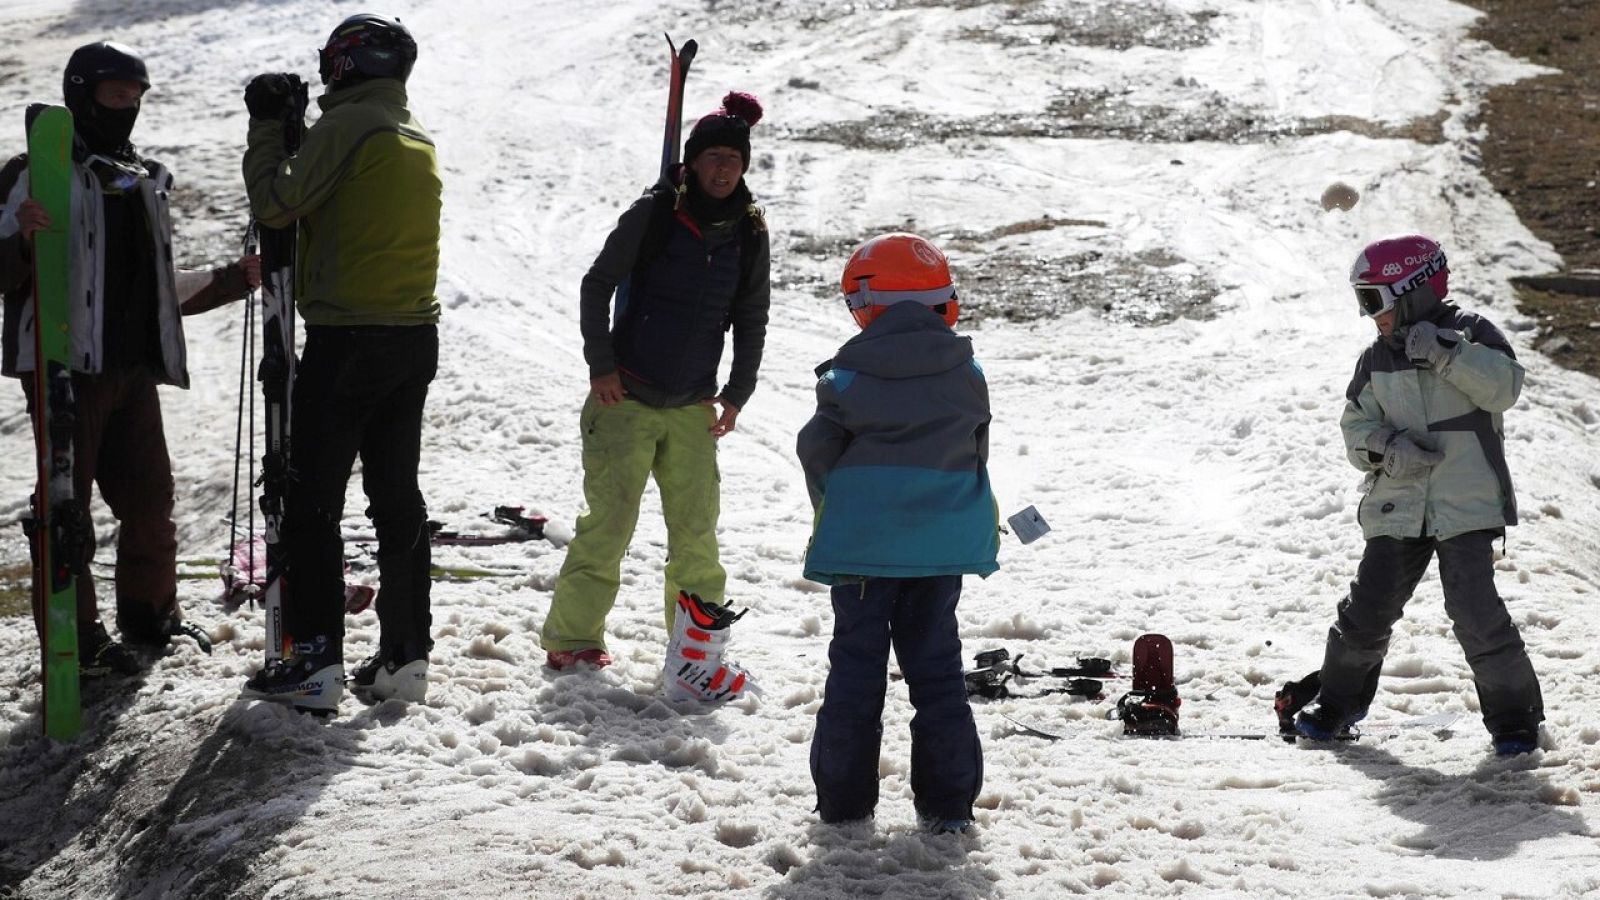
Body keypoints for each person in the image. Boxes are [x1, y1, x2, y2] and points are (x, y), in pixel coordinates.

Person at [0, 41, 258, 677]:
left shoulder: (141, 178)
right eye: (117, 95)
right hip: (64, 368)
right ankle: (79, 642)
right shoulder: (30, 173)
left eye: (136, 98)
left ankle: (150, 616)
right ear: (83, 94)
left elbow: (159, 283)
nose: (128, 109)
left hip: (131, 368)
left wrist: (232, 279)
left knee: (149, 501)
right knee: (64, 507)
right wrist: (22, 242)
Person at [239, 13, 441, 712]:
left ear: (348, 64)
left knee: (311, 504)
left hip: (347, 339)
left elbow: (276, 202)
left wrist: (269, 127)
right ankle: (405, 656)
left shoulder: (348, 125)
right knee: (396, 498)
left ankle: (315, 659)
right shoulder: (410, 132)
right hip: (412, 337)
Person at [538, 91, 770, 673]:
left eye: (733, 159)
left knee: (697, 537)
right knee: (608, 528)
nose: (723, 168)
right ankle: (573, 638)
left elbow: (751, 315)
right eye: (713, 156)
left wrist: (737, 393)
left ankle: (698, 649)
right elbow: (597, 284)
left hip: (694, 404)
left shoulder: (749, 230)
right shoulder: (656, 213)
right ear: (692, 161)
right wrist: (601, 367)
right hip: (626, 398)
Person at [1295, 234, 1544, 756]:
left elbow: (1506, 388)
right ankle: (1336, 703)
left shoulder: (1473, 335)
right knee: (1366, 611)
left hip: (1466, 506)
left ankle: (1515, 721)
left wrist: (1447, 355)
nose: (1370, 316)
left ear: (1411, 290)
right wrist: (1386, 447)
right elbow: (1354, 427)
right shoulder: (1375, 360)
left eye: (1374, 301)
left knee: (1475, 613)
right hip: (1398, 505)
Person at [797, 233, 999, 834]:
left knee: (855, 672)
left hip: (862, 554)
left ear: (865, 305)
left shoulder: (848, 376)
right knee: (938, 674)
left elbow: (817, 448)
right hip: (940, 551)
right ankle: (947, 806)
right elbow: (975, 449)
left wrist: (841, 506)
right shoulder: (968, 372)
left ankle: (844, 804)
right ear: (943, 302)